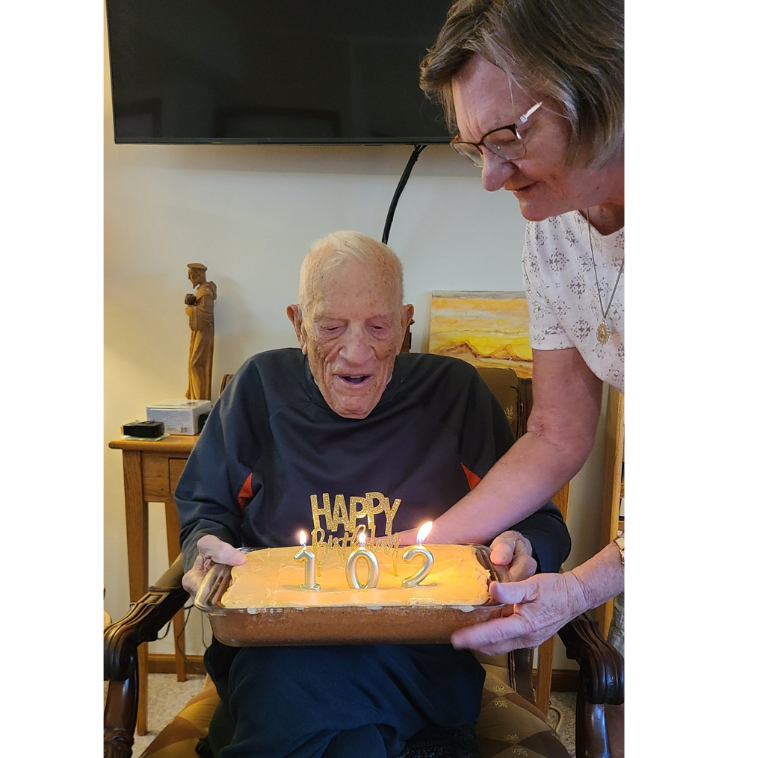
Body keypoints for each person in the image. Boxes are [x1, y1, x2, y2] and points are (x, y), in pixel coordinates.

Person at [176, 231, 570, 758]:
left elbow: (542, 523)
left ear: (406, 326)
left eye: (379, 327)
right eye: (331, 327)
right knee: (331, 717)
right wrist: (204, 552)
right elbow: (206, 514)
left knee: (302, 711)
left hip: (416, 656)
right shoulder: (258, 390)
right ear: (298, 323)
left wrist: (523, 547)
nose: (356, 351)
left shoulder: (454, 395)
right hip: (275, 647)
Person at [410, 0, 626, 656]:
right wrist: (435, 539)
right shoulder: (553, 232)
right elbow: (555, 431)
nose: (489, 177)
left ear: (599, 89)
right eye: (475, 149)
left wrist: (581, 587)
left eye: (506, 140)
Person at [185, 262, 217, 400]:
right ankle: (196, 397)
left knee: (196, 364)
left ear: (198, 275)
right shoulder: (201, 291)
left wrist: (190, 310)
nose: (189, 278)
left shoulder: (205, 292)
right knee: (194, 363)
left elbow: (207, 314)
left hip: (204, 332)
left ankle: (199, 399)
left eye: (191, 275)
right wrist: (192, 303)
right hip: (199, 332)